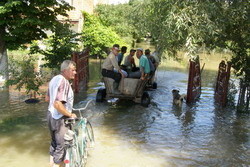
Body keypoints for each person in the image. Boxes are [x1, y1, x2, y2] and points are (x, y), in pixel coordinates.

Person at [46, 60, 77, 167]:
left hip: (50, 116)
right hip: (60, 118)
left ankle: (51, 164)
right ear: (65, 70)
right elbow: (57, 104)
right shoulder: (64, 82)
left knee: (54, 143)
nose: (75, 72)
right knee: (62, 147)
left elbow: (47, 98)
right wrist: (69, 114)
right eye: (73, 70)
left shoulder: (54, 79)